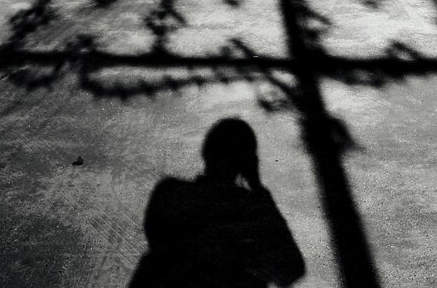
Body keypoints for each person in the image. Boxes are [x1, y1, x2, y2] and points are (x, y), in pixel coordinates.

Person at [129, 118, 305, 288]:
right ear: (247, 162)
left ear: (207, 151)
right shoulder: (252, 209)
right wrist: (257, 187)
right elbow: (290, 271)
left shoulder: (171, 194)